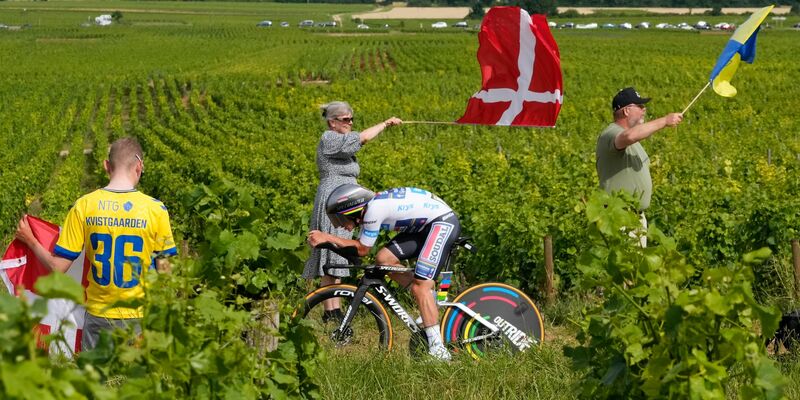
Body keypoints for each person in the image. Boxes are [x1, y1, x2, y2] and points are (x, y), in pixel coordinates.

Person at [15, 137, 177, 351]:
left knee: (96, 380)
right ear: (139, 167)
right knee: (134, 381)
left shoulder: (84, 206)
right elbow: (166, 274)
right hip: (139, 317)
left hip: (99, 316)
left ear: (106, 165)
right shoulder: (157, 210)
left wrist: (31, 240)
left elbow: (57, 268)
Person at [307, 184, 461, 361]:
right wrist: (327, 242)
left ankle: (438, 351)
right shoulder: (372, 207)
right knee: (383, 260)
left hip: (441, 223)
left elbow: (362, 250)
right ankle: (429, 300)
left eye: (342, 220)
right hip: (423, 228)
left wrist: (327, 238)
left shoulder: (373, 210)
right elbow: (359, 252)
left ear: (353, 211)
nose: (343, 227)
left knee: (421, 288)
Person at [302, 101, 402, 323]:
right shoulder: (329, 138)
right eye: (346, 120)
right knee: (330, 251)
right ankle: (331, 310)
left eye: (351, 119)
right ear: (332, 122)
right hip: (334, 200)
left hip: (346, 200)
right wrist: (385, 123)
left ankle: (334, 307)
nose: (350, 123)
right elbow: (362, 139)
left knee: (339, 250)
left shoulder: (339, 141)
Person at [595, 87, 684, 246]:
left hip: (634, 218)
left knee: (634, 268)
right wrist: (664, 121)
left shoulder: (632, 140)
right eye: (640, 106)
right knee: (624, 268)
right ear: (627, 111)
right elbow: (629, 136)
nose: (644, 109)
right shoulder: (611, 133)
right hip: (620, 218)